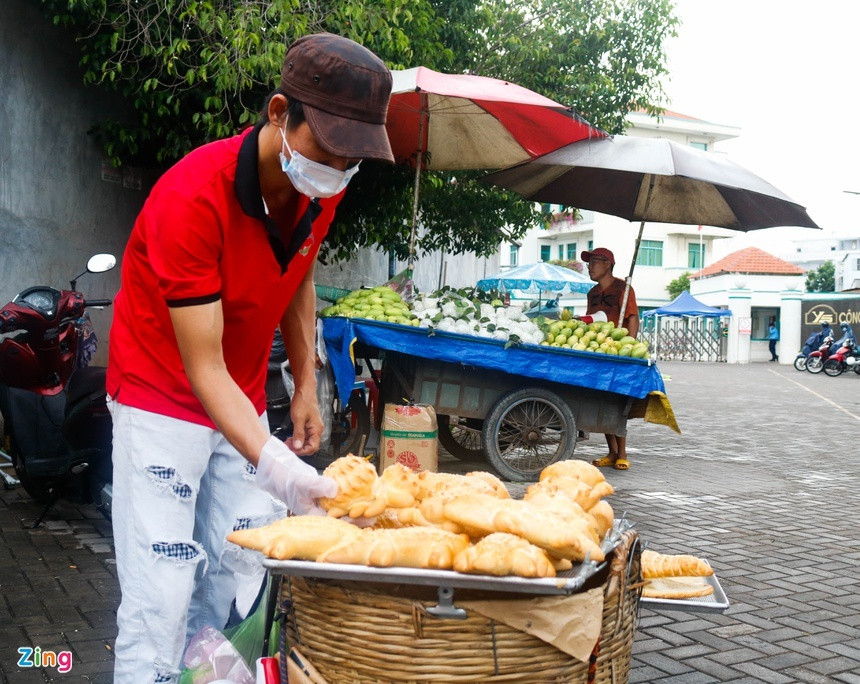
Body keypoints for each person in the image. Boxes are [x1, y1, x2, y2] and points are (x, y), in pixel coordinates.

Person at [105, 33, 394, 683]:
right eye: (331, 145)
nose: (342, 167)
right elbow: (201, 368)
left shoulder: (324, 184)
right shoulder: (192, 197)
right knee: (165, 589)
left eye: (355, 155)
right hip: (160, 396)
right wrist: (280, 467)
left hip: (236, 392)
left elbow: (299, 267)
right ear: (277, 113)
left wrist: (302, 378)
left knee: (247, 570)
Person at [579, 247, 638, 470]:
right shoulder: (592, 293)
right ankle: (612, 452)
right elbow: (590, 318)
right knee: (602, 398)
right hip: (598, 350)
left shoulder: (624, 288)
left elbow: (632, 318)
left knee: (617, 400)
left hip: (618, 351)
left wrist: (629, 347)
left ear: (607, 264)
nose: (590, 267)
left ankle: (622, 452)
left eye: (594, 262)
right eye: (589, 263)